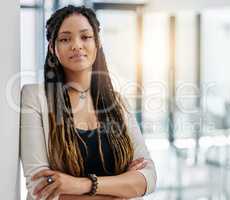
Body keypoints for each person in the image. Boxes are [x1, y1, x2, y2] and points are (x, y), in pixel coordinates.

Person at [20, 5, 157, 200]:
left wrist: (81, 185)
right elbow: (40, 188)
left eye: (85, 37)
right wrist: (121, 188)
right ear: (53, 47)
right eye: (65, 39)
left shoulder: (118, 102)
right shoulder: (34, 97)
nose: (76, 45)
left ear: (98, 42)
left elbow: (148, 177)